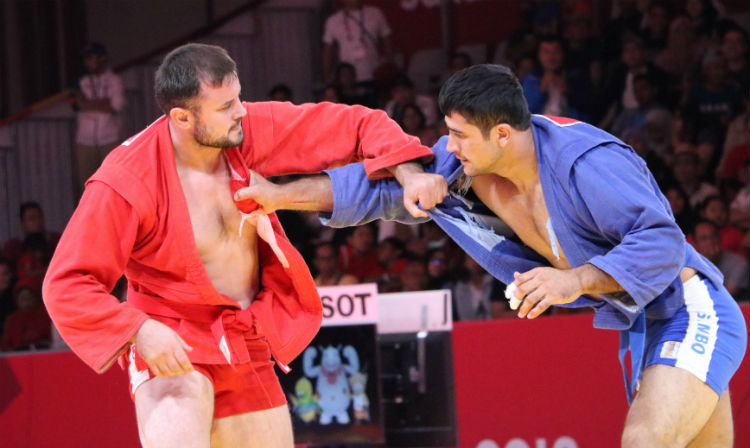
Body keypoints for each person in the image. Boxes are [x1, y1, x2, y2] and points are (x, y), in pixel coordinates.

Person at [237, 64, 747, 447]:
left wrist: (571, 283)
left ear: (502, 133)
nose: (448, 145)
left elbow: (660, 241)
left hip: (687, 305)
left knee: (643, 442)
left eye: (459, 134)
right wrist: (280, 196)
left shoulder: (586, 162)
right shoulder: (468, 167)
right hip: (642, 320)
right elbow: (381, 186)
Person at [42, 43, 437, 448]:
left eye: (238, 98)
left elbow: (355, 125)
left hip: (242, 336)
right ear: (182, 117)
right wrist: (137, 330)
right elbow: (66, 283)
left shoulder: (244, 131)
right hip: (172, 340)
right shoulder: (125, 182)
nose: (241, 112)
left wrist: (407, 172)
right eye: (226, 106)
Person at [73, 42, 125, 195]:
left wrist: (88, 103)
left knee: (113, 182)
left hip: (109, 138)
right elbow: (76, 105)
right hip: (84, 139)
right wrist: (103, 103)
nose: (87, 62)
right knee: (86, 184)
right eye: (86, 59)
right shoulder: (82, 81)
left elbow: (116, 105)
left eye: (91, 58)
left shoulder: (114, 80)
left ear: (102, 58)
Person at [322, 0, 392, 84]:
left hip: (375, 73)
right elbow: (327, 51)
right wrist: (327, 77)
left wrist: (389, 67)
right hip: (347, 79)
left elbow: (387, 41)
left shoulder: (376, 13)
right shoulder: (333, 20)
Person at [1, 201, 60, 266]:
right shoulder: (12, 247)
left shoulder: (56, 241)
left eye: (39, 217)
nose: (37, 222)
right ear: (22, 223)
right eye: (31, 219)